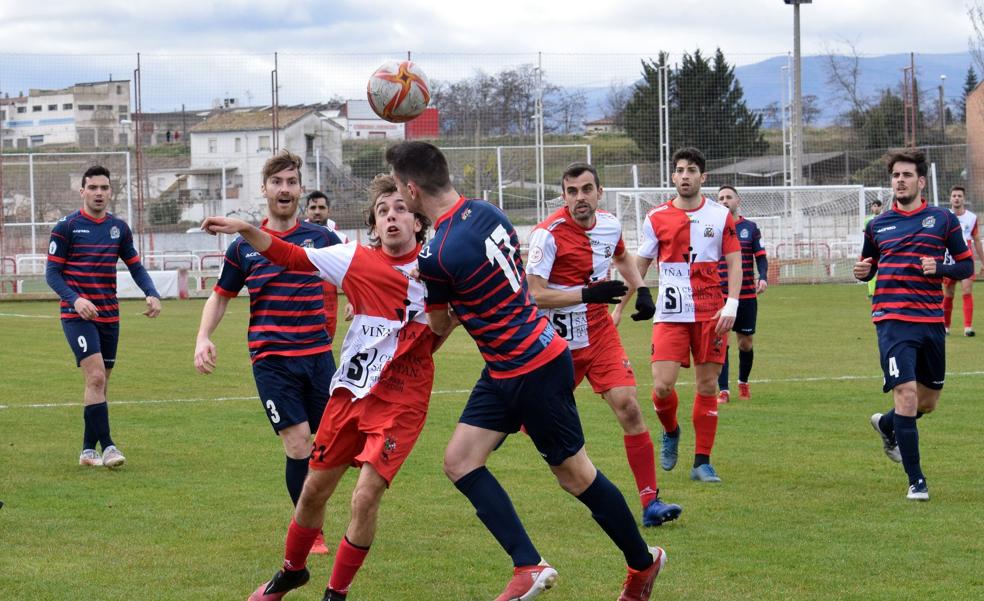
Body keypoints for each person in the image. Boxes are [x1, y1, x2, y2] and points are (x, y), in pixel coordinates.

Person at [386, 141, 665, 601]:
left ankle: (643, 562)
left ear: (412, 190)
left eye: (399, 188)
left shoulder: (438, 253)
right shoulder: (487, 212)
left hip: (531, 368)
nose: (401, 195)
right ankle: (527, 564)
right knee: (459, 462)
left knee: (575, 476)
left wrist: (426, 284)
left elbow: (439, 323)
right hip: (508, 364)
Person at [202, 175, 442, 601]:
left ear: (419, 221)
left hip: (402, 399)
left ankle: (336, 593)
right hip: (349, 393)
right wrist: (244, 229)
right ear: (374, 223)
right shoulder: (355, 259)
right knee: (313, 492)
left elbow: (458, 319)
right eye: (383, 211)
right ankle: (292, 572)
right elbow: (290, 255)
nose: (392, 217)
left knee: (364, 498)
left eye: (400, 209)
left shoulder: (440, 272)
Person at [194, 151, 341, 551]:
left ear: (299, 190)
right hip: (272, 360)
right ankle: (311, 532)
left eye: (292, 182)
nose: (285, 189)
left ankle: (311, 517)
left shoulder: (322, 239)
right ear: (264, 189)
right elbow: (220, 296)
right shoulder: (243, 248)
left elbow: (356, 274)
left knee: (326, 450)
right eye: (277, 182)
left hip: (318, 357)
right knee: (298, 444)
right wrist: (203, 336)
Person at [526, 162, 681, 527]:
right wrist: (587, 293)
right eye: (572, 191)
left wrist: (642, 290)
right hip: (555, 343)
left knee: (628, 406)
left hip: (598, 333)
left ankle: (650, 503)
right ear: (564, 196)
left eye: (586, 190)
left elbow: (622, 256)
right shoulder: (547, 234)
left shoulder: (609, 225)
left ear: (599, 193)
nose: (580, 197)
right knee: (532, 422)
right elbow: (534, 295)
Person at [855, 149, 973, 501]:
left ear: (921, 182)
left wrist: (941, 269)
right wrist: (862, 272)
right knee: (905, 394)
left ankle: (888, 424)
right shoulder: (876, 225)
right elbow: (869, 264)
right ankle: (916, 481)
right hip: (892, 321)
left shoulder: (943, 220)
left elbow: (966, 267)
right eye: (895, 176)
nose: (900, 181)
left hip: (930, 321)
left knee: (928, 401)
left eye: (907, 175)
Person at [635, 148, 741, 484]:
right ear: (672, 176)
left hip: (712, 313)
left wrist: (733, 303)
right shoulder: (655, 217)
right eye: (679, 170)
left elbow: (736, 260)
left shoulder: (720, 215)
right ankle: (671, 429)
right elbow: (640, 263)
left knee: (707, 385)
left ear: (702, 177)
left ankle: (702, 462)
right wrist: (630, 298)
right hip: (670, 312)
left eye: (691, 170)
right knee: (662, 386)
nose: (684, 175)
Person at [46, 165, 162, 468]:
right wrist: (76, 299)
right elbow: (52, 274)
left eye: (104, 188)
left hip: (110, 314)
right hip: (77, 315)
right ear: (82, 190)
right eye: (93, 187)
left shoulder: (119, 228)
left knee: (99, 383)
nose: (99, 193)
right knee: (95, 375)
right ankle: (108, 446)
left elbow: (135, 265)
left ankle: (87, 450)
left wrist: (151, 292)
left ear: (110, 192)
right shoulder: (67, 226)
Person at [715, 185, 768, 403]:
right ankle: (724, 390)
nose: (724, 201)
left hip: (746, 294)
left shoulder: (750, 228)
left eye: (729, 197)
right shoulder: (713, 228)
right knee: (720, 341)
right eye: (720, 198)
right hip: (720, 294)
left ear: (738, 201)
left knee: (745, 342)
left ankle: (743, 383)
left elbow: (761, 256)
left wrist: (763, 276)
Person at [305, 191, 349, 346]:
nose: (317, 211)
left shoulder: (341, 238)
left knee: (325, 345)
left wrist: (352, 301)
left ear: (328, 210)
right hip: (301, 299)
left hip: (328, 301)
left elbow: (351, 271)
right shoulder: (298, 236)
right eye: (313, 207)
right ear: (306, 210)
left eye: (322, 207)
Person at [941, 186, 984, 336]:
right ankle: (945, 327)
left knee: (967, 290)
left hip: (965, 260)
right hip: (949, 261)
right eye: (954, 196)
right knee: (949, 294)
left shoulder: (971, 218)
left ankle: (968, 328)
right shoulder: (945, 216)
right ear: (950, 199)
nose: (957, 198)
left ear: (964, 198)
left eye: (959, 196)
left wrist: (983, 262)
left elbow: (977, 241)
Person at [864, 200, 884, 298]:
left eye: (877, 206)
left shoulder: (886, 217)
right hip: (872, 249)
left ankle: (883, 291)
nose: (875, 208)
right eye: (873, 206)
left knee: (883, 270)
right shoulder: (867, 220)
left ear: (881, 207)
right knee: (871, 269)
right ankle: (871, 293)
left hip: (883, 248)